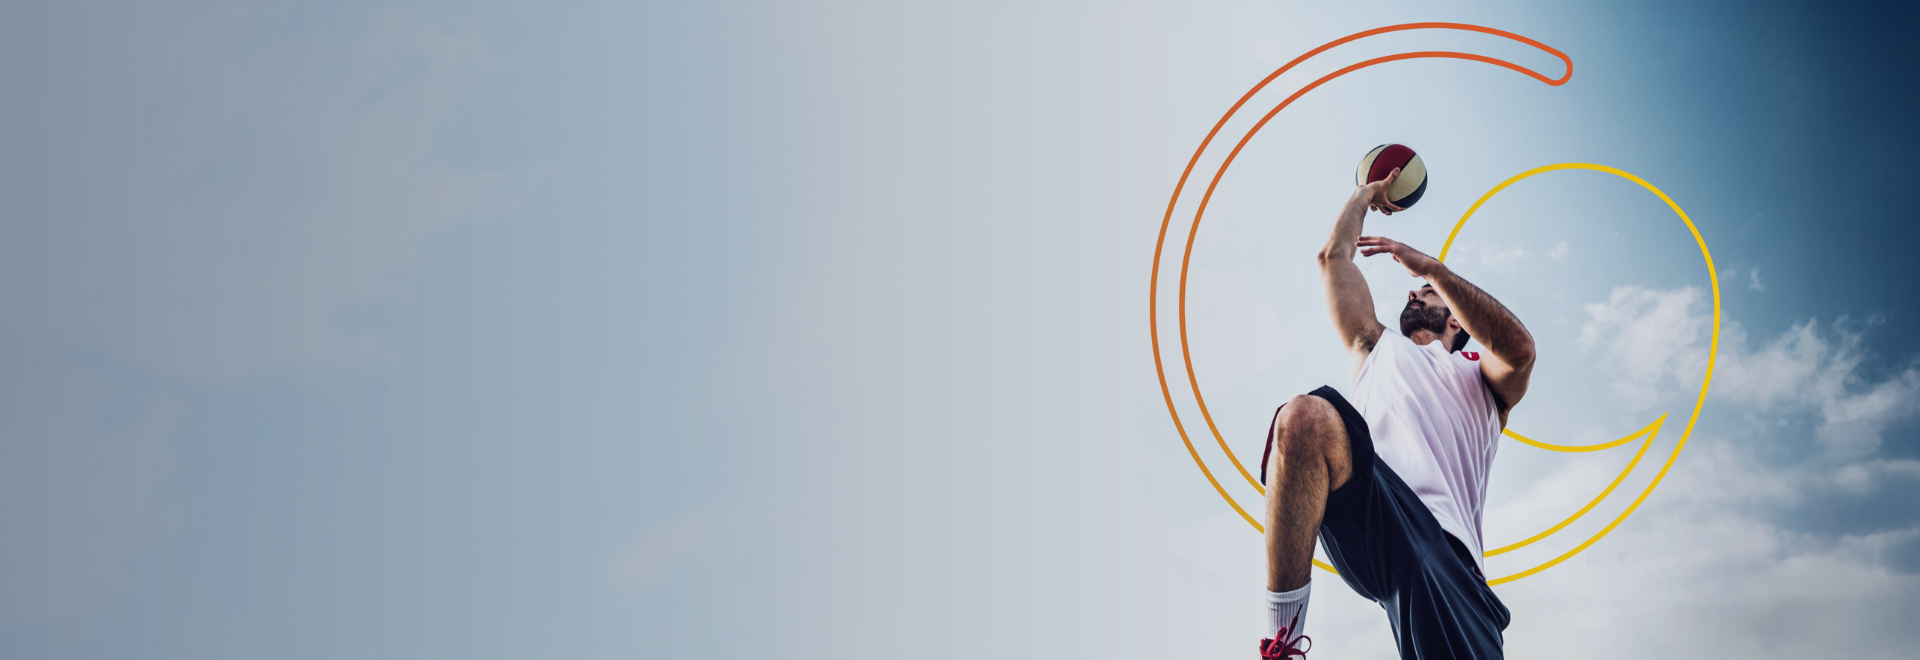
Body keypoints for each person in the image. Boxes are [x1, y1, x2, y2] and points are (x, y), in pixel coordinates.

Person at [1254, 167, 1535, 659]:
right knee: (1304, 418)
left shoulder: (1482, 379)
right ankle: (1282, 641)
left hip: (1450, 557)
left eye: (1425, 293)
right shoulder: (1376, 347)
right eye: (1417, 288)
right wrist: (1365, 194)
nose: (1412, 292)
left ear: (1456, 319)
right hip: (1376, 507)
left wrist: (1434, 271)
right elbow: (1332, 258)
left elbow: (1520, 350)